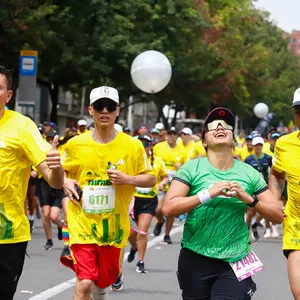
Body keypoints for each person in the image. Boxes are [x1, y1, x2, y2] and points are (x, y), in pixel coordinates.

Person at [162, 107, 283, 300]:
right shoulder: (192, 169)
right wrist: (208, 194)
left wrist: (248, 199)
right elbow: (168, 208)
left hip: (235, 259)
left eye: (227, 126)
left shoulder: (248, 173)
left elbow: (277, 214)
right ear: (204, 141)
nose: (220, 127)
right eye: (213, 126)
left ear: (233, 138)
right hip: (195, 258)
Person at [61, 86, 156, 300]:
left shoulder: (132, 145)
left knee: (104, 281)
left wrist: (127, 179)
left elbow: (150, 178)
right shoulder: (75, 144)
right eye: (99, 106)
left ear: (118, 110)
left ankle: (100, 291)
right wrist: (66, 182)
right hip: (82, 224)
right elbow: (58, 174)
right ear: (90, 110)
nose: (105, 111)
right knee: (84, 284)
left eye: (110, 106)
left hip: (113, 229)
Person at [0, 65, 64, 300]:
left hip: (8, 235)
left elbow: (53, 180)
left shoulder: (23, 127)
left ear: (8, 95)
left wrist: (57, 169)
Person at [269, 88, 300, 300]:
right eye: (299, 110)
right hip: (296, 224)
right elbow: (276, 174)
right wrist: (274, 200)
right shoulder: (284, 143)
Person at [127, 135, 169, 273]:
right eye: (140, 144)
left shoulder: (157, 161)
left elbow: (165, 176)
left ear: (150, 146)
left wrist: (162, 183)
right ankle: (134, 247)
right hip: (132, 200)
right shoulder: (130, 160)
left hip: (149, 201)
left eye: (145, 144)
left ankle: (140, 261)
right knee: (131, 234)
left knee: (143, 231)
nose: (142, 147)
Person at [153, 127, 187, 244]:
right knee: (158, 209)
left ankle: (167, 234)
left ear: (177, 137)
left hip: (174, 185)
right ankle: (160, 220)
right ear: (166, 135)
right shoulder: (158, 147)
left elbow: (187, 169)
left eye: (174, 134)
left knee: (171, 211)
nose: (172, 136)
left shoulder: (182, 151)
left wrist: (180, 168)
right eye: (170, 134)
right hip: (161, 183)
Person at [244, 136, 275, 239]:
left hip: (264, 187)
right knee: (250, 211)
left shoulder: (268, 158)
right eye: (256, 145)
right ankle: (246, 230)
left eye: (260, 145)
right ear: (253, 146)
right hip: (251, 188)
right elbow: (245, 174)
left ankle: (256, 224)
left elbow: (272, 172)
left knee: (266, 208)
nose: (258, 147)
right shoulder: (248, 159)